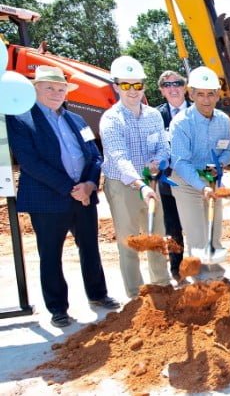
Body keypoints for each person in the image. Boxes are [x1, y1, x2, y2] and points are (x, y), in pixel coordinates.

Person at [6, 66, 119, 328]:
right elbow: (30, 162)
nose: (57, 93)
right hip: (48, 200)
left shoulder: (77, 120)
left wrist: (90, 184)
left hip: (84, 197)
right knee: (51, 254)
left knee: (90, 248)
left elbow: (94, 156)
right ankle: (58, 309)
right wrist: (71, 188)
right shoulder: (21, 120)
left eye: (61, 89)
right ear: (35, 90)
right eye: (49, 88)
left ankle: (98, 295)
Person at [100, 56, 171, 298]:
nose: (132, 91)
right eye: (126, 85)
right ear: (116, 86)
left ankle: (161, 287)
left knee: (157, 237)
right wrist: (140, 185)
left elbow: (163, 146)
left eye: (137, 85)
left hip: (150, 182)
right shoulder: (111, 119)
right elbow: (119, 158)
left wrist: (158, 161)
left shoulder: (154, 116)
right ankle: (135, 295)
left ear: (143, 86)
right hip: (123, 185)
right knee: (129, 242)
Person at [170, 66, 230, 280]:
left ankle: (216, 279)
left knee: (214, 234)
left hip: (213, 181)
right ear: (191, 94)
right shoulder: (181, 123)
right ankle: (200, 284)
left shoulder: (223, 120)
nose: (206, 100)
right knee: (198, 237)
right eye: (200, 94)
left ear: (218, 95)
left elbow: (229, 150)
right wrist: (202, 186)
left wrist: (219, 165)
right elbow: (180, 162)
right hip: (187, 183)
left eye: (210, 94)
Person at [155, 70, 189, 281]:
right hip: (167, 183)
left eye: (177, 83)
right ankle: (177, 269)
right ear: (161, 91)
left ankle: (200, 267)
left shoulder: (197, 112)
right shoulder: (156, 116)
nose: (173, 88)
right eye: (167, 85)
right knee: (173, 228)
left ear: (185, 87)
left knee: (198, 226)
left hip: (195, 181)